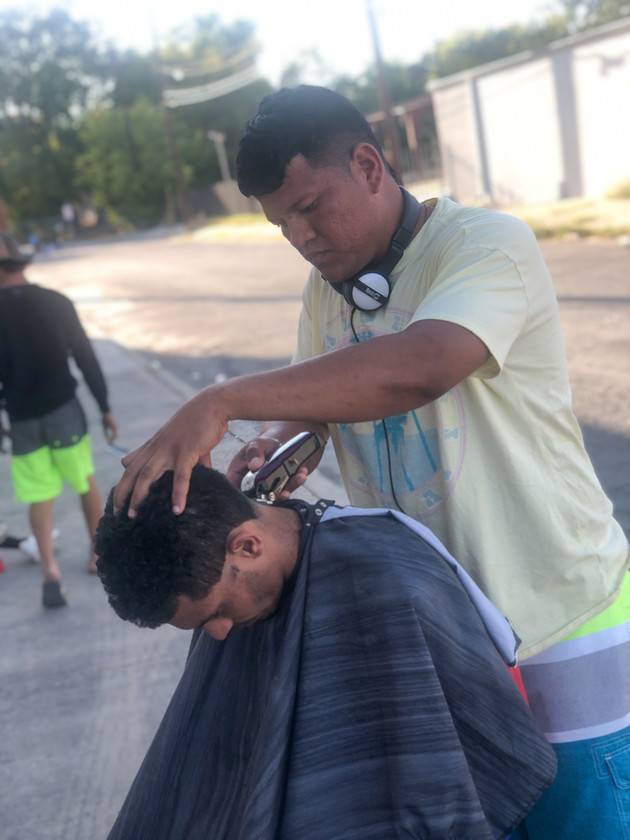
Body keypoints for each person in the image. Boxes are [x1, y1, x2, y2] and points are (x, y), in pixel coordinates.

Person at [112, 86, 629, 837]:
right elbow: (316, 399)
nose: (300, 235)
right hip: (441, 634)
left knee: (581, 824)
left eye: (310, 205)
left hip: (560, 618)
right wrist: (279, 440)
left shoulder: (487, 245)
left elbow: (424, 362)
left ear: (368, 163)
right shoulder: (327, 293)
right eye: (280, 221)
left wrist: (221, 400)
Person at [97, 465, 556, 840]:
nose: (217, 634)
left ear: (248, 545)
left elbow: (465, 756)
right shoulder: (219, 584)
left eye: (216, 612)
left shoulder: (389, 579)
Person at [0, 231, 118, 607]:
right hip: (64, 411)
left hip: (22, 421)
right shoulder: (56, 302)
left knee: (39, 496)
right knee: (84, 482)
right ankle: (97, 554)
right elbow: (85, 357)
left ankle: (50, 569)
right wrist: (104, 406)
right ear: (19, 263)